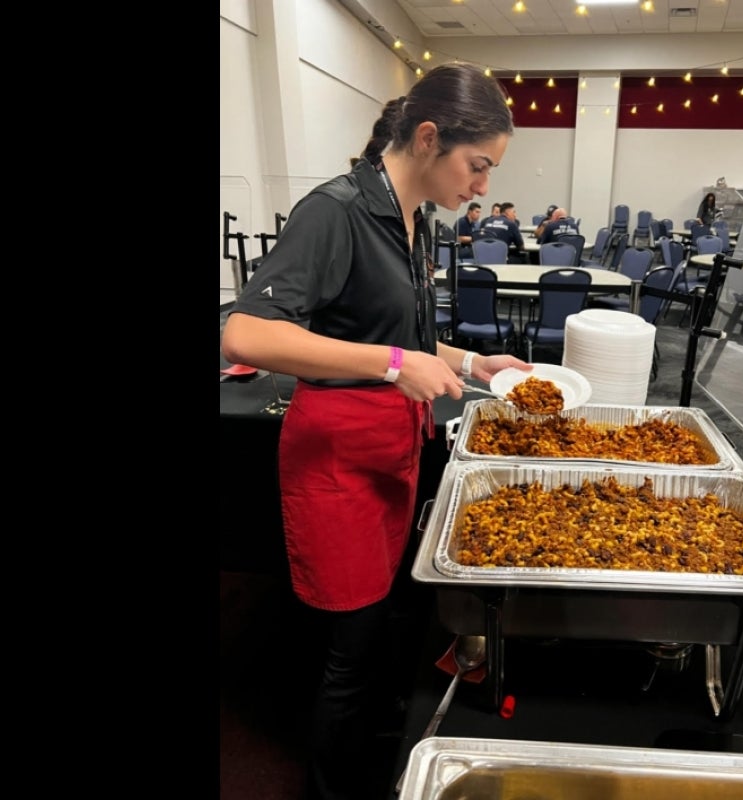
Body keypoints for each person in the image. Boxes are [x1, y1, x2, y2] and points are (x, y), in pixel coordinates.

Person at [219, 63, 530, 800]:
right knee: (348, 649)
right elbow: (247, 335)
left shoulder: (414, 216)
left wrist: (474, 360)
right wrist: (393, 364)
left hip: (394, 447)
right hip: (337, 455)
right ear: (428, 139)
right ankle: (333, 785)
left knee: (384, 624)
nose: (483, 186)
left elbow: (408, 335)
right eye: (477, 165)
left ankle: (376, 754)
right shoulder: (334, 211)